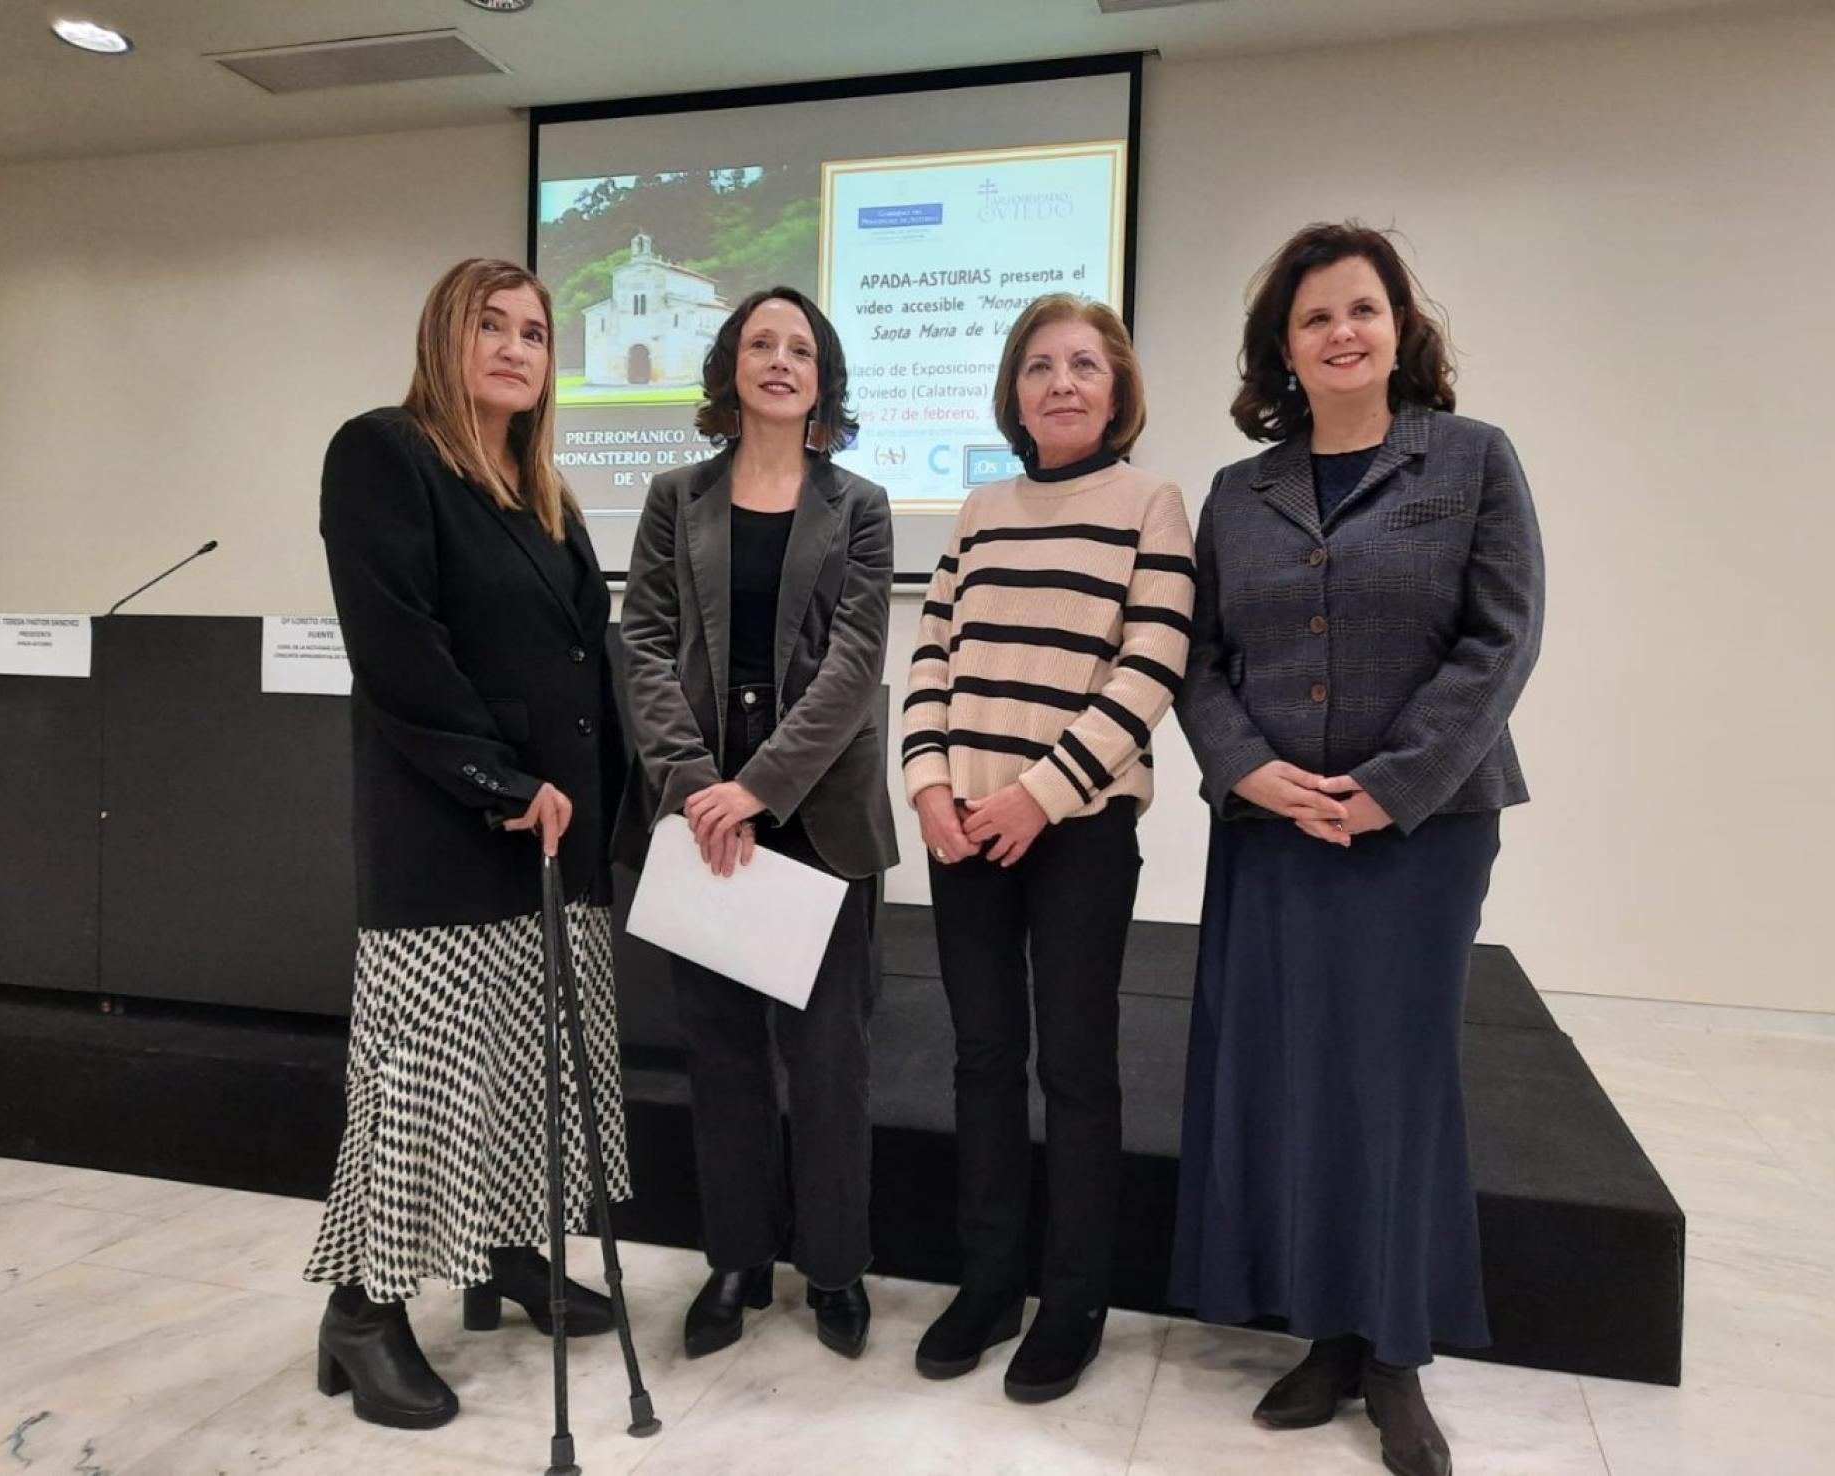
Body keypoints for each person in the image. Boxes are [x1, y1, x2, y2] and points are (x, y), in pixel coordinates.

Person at [1169, 222, 1544, 1476]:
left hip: (1422, 831)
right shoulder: (1240, 491)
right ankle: (1324, 1330)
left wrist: (1391, 788)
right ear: (1283, 348)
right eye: (1315, 317)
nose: (1341, 332)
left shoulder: (1473, 461)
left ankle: (1396, 1354)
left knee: (1394, 1081)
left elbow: (1501, 643)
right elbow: (1203, 659)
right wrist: (1247, 768)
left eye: (1362, 311)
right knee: (1290, 1074)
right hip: (1273, 829)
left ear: (1400, 328)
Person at [304, 258, 631, 1430]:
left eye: (534, 333)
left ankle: (505, 1254)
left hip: (556, 840)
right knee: (420, 1087)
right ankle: (364, 1312)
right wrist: (502, 781)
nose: (513, 347)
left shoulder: (545, 494)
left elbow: (588, 668)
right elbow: (398, 654)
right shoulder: (385, 454)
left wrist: (614, 808)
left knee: (526, 1072)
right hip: (450, 834)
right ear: (446, 336)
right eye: (489, 325)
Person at [903, 293, 1194, 1403]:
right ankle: (989, 1283)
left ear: (1117, 388)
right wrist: (929, 786)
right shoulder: (979, 507)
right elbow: (931, 654)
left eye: (1083, 364)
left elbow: (1152, 662)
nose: (1061, 383)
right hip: (960, 831)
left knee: (1074, 1067)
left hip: (1074, 832)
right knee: (982, 1062)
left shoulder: (1150, 502)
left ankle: (1073, 1298)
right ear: (1011, 392)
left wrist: (1039, 794)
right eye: (1039, 366)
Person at [612, 286, 896, 1362]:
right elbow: (640, 642)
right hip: (703, 821)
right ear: (731, 366)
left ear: (824, 379)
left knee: (829, 1061)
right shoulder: (673, 495)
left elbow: (855, 665)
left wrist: (761, 786)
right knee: (722, 1056)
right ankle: (735, 1258)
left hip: (813, 815)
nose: (781, 359)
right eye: (761, 342)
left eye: (802, 347)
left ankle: (834, 1268)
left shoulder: (860, 506)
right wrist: (694, 784)